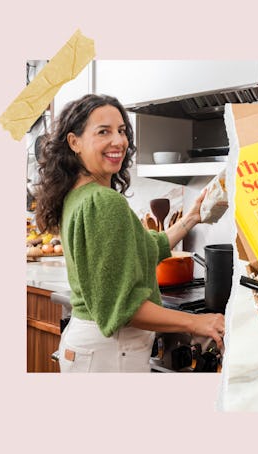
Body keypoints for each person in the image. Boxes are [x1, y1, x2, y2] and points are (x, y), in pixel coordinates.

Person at [35, 94, 225, 372]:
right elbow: (121, 308)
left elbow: (147, 247)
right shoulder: (103, 201)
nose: (119, 141)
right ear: (74, 142)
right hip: (109, 353)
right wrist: (197, 321)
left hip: (94, 349)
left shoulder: (78, 194)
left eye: (122, 131)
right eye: (104, 132)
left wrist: (192, 218)